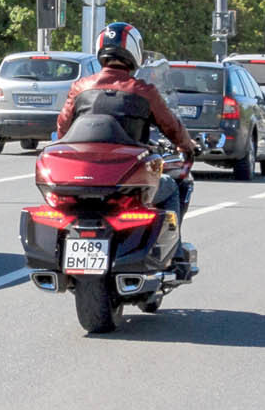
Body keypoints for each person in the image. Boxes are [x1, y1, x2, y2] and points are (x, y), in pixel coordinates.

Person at [54, 22, 199, 248]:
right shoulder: (143, 91)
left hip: (80, 180)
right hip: (125, 183)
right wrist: (187, 145)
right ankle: (174, 250)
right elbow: (172, 127)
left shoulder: (80, 87)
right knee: (172, 186)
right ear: (134, 51)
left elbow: (63, 128)